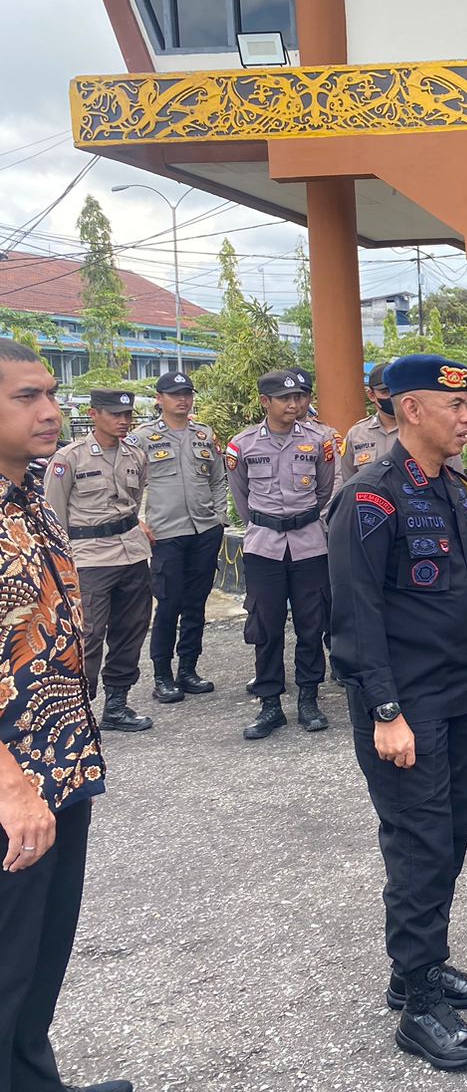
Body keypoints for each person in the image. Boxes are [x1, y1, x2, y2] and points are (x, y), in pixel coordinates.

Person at [328, 354, 467, 1072]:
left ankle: (416, 970)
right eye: (454, 407)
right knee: (419, 844)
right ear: (411, 412)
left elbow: (460, 591)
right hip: (407, 708)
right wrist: (384, 711)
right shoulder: (372, 497)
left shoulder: (450, 488)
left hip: (455, 696)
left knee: (449, 836)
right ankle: (421, 1004)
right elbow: (356, 616)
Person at [0, 341, 134, 1092]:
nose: (49, 411)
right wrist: (12, 786)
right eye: (26, 396)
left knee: (39, 961)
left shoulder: (29, 501)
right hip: (12, 786)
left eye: (51, 394)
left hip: (61, 765)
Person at [227, 370, 336, 740]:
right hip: (263, 546)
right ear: (265, 403)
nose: (294, 405)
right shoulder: (242, 445)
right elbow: (241, 498)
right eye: (284, 399)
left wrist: (301, 521)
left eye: (299, 398)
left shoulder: (320, 440)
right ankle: (270, 703)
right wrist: (266, 523)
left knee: (311, 623)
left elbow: (324, 491)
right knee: (266, 626)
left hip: (308, 543)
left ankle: (309, 698)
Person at [44, 389, 154, 734]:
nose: (123, 421)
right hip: (89, 558)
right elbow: (53, 514)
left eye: (127, 415)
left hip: (132, 552)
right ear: (93, 414)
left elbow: (135, 502)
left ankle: (117, 703)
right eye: (115, 415)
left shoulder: (135, 454)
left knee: (131, 630)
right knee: (87, 635)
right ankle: (78, 708)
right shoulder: (69, 458)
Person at [130, 371, 227, 705]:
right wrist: (138, 520)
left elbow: (218, 479)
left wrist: (219, 518)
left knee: (195, 605)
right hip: (165, 533)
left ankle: (188, 669)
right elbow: (129, 483)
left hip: (204, 530)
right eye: (174, 394)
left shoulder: (204, 434)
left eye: (187, 394)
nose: (182, 400)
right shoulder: (142, 438)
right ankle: (162, 675)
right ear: (160, 399)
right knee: (169, 604)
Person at [338, 363, 399, 483]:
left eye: (396, 389)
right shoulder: (357, 434)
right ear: (371, 395)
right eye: (385, 392)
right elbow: (348, 481)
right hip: (370, 500)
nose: (392, 396)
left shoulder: (420, 429)